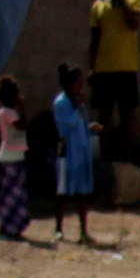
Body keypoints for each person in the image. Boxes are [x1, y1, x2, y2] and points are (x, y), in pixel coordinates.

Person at [85, 0, 140, 170]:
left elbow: (134, 24)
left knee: (128, 116)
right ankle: (104, 160)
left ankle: (128, 161)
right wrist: (91, 68)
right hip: (104, 69)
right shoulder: (98, 6)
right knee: (104, 117)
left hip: (126, 68)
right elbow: (94, 40)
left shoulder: (134, 0)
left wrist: (122, 3)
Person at [48, 76, 99, 246]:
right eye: (78, 83)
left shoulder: (78, 103)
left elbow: (79, 124)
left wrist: (89, 126)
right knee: (62, 192)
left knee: (80, 193)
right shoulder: (61, 103)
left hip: (79, 153)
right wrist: (76, 107)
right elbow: (64, 127)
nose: (81, 87)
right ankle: (58, 229)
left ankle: (84, 232)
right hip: (66, 153)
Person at [0, 79, 26, 242]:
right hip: (11, 157)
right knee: (13, 196)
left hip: (13, 155)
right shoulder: (9, 113)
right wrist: (22, 107)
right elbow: (23, 125)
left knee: (11, 195)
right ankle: (9, 229)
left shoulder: (4, 111)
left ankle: (11, 228)